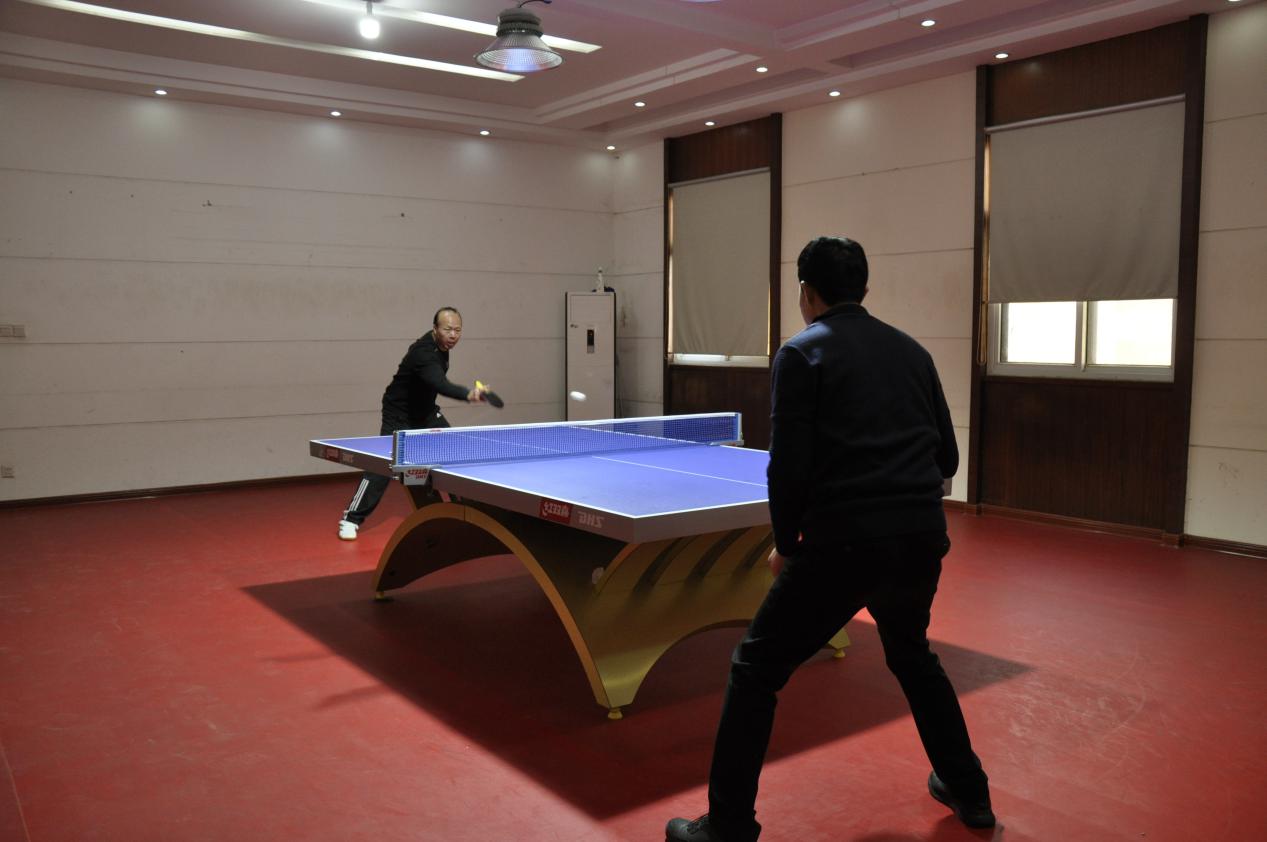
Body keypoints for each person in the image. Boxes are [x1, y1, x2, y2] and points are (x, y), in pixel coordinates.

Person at [666, 237, 993, 841]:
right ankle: (970, 791)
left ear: (805, 293)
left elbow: (787, 468)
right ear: (863, 289)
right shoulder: (914, 352)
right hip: (920, 538)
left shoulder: (801, 354)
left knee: (755, 670)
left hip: (843, 545)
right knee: (912, 656)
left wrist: (787, 545)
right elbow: (947, 457)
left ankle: (728, 827)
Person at [337, 307, 486, 540]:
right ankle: (350, 519)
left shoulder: (442, 347)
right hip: (400, 414)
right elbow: (439, 383)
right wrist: (468, 394)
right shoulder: (423, 353)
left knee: (454, 452)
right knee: (384, 466)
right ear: (435, 329)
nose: (453, 335)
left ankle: (466, 512)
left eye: (457, 330)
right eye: (447, 329)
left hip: (425, 412)